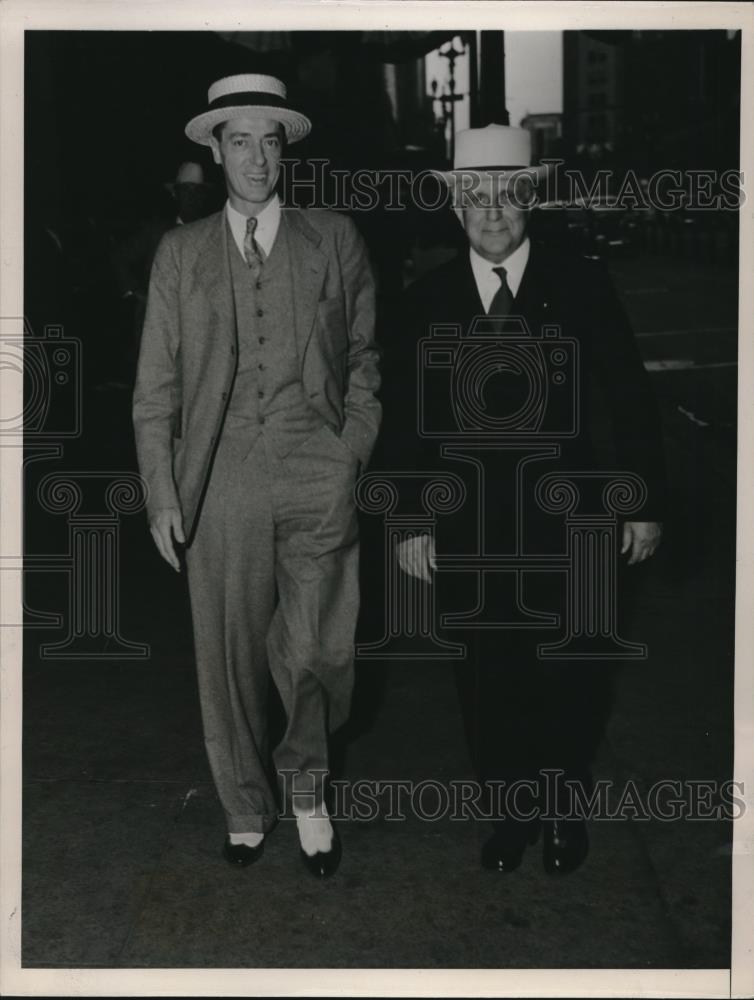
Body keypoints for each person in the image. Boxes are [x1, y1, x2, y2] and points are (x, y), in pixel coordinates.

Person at [382, 125, 666, 875]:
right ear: (455, 208)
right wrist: (411, 519)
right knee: (486, 671)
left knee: (572, 670)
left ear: (530, 199)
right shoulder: (424, 301)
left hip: (570, 521)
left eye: (509, 194)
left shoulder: (580, 283)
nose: (493, 211)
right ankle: (508, 815)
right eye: (476, 196)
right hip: (469, 526)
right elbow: (405, 420)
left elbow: (627, 395)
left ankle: (564, 810)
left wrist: (639, 501)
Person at [132, 74, 381, 877]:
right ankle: (244, 803)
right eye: (239, 139)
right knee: (230, 655)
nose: (257, 157)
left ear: (286, 151)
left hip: (318, 463)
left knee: (319, 650)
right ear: (214, 150)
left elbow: (365, 358)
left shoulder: (333, 236)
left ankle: (307, 787)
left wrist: (352, 450)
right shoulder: (180, 253)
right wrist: (163, 494)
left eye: (270, 140)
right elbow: (155, 390)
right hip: (220, 471)